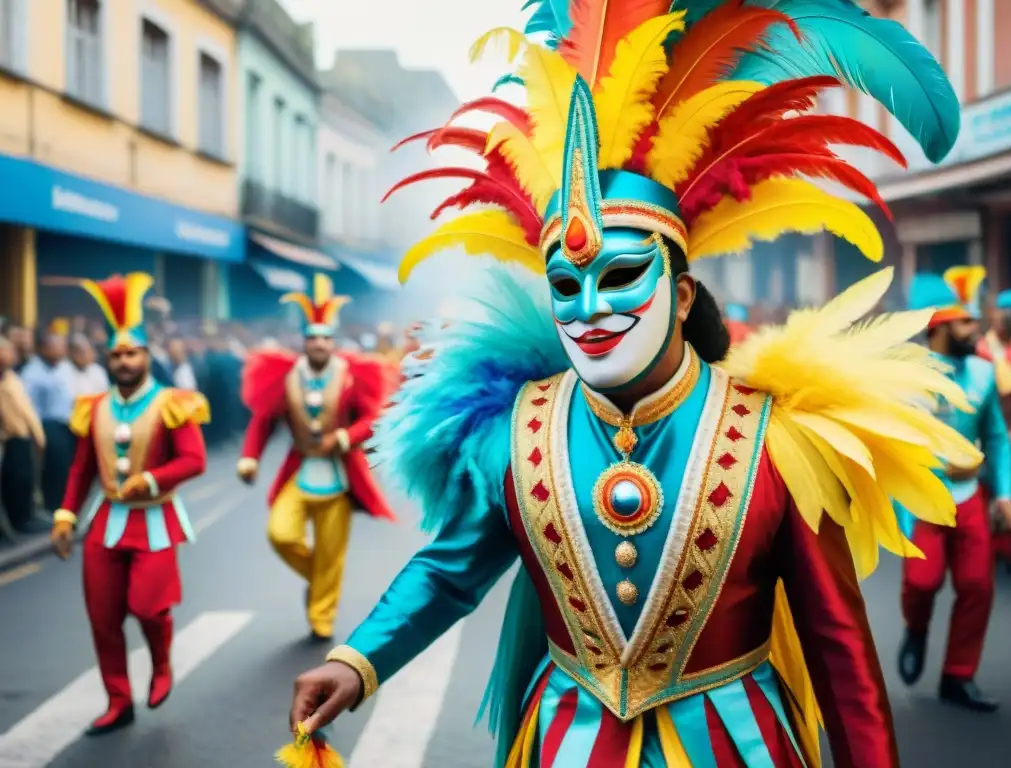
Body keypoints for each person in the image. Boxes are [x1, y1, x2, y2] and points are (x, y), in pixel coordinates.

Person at [284, 4, 972, 766]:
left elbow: (837, 648)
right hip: (564, 743)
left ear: (680, 295)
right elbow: (452, 569)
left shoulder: (777, 441)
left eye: (618, 276)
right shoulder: (518, 431)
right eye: (565, 285)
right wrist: (357, 661)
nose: (590, 309)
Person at [49, 272, 210, 735]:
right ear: (108, 358)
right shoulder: (92, 406)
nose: (124, 360)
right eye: (117, 354)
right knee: (102, 619)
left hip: (155, 520)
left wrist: (152, 478)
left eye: (132, 352)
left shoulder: (171, 403)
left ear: (146, 355)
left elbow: (194, 460)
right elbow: (81, 470)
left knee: (147, 607)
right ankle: (118, 701)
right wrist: (64, 515)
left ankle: (161, 664)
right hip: (105, 524)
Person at [237, 274, 397, 641]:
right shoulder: (286, 376)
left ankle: (321, 616)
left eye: (326, 338)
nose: (319, 344)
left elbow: (374, 419)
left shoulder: (352, 377)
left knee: (332, 552)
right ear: (303, 342)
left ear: (334, 343)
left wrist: (343, 437)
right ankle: (318, 578)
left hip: (341, 478)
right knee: (281, 533)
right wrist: (250, 458)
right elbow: (263, 421)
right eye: (313, 338)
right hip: (300, 471)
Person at [898, 267, 1011, 713]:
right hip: (921, 498)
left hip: (970, 498)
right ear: (941, 326)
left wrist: (1004, 494)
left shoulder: (985, 375)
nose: (978, 330)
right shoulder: (905, 379)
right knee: (921, 582)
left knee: (977, 585)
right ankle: (916, 628)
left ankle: (958, 676)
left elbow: (1000, 438)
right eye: (968, 322)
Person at [977, 288, 1011, 573]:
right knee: (992, 489)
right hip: (994, 431)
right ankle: (992, 548)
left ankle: (1005, 548)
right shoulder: (985, 349)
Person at [21, 330, 76, 512]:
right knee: (54, 468)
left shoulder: (65, 367)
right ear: (44, 348)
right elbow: (29, 404)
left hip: (68, 424)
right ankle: (52, 505)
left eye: (62, 347)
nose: (60, 351)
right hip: (47, 424)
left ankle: (67, 503)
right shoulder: (32, 372)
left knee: (68, 467)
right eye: (55, 347)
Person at [0, 336, 45, 535]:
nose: (10, 355)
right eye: (6, 351)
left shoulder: (12, 378)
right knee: (14, 482)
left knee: (26, 481)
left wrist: (38, 436)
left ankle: (27, 518)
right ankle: (18, 522)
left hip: (25, 437)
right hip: (9, 439)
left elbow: (27, 410)